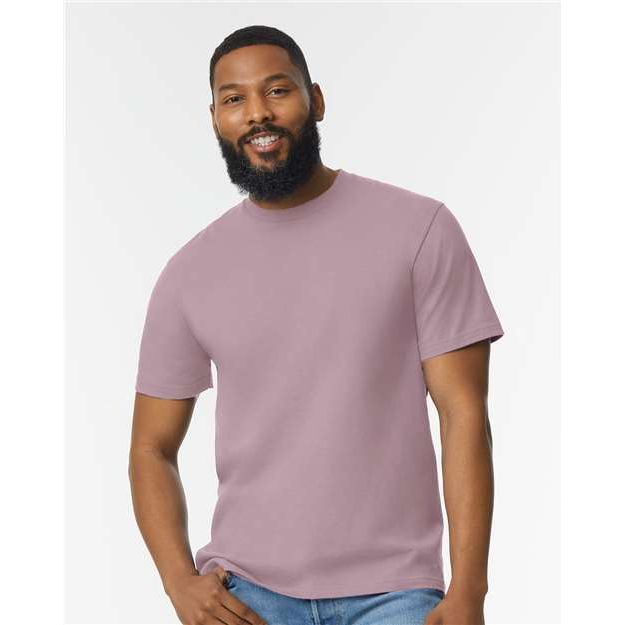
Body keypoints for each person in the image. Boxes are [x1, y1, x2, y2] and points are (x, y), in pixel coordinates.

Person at [128, 24, 504, 625]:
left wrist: (469, 591)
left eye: (277, 90)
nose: (258, 112)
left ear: (317, 100)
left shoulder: (419, 230)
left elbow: (463, 415)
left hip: (395, 593)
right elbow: (151, 447)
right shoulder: (189, 273)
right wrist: (178, 582)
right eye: (234, 99)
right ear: (216, 119)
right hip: (245, 594)